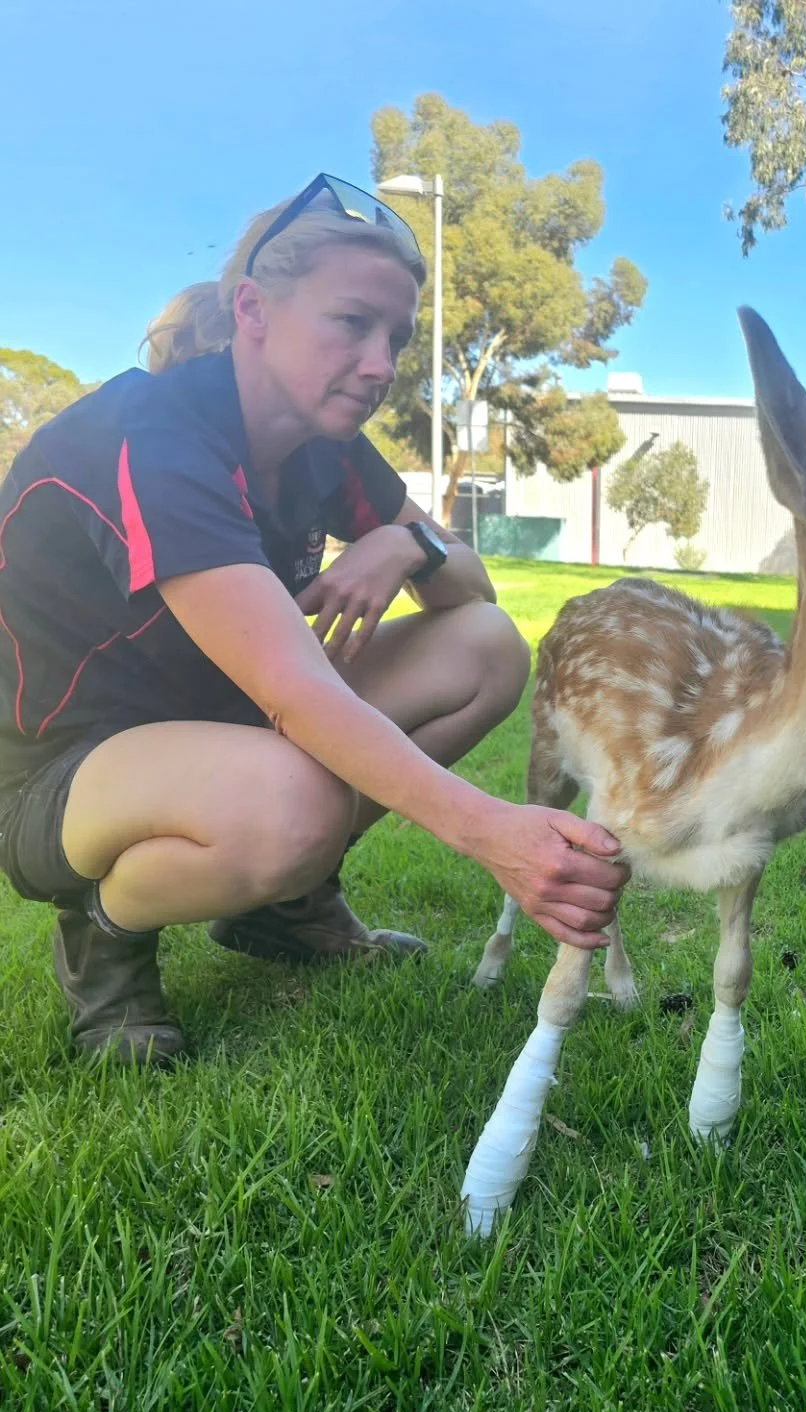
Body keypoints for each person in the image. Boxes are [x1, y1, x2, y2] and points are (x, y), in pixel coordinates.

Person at [0, 173, 628, 1066]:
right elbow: (294, 690)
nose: (381, 363)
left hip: (219, 729)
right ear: (252, 309)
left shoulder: (325, 447)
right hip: (56, 777)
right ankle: (103, 931)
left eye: (397, 336)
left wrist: (410, 550)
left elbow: (474, 591)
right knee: (294, 802)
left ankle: (282, 908)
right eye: (351, 323)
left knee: (484, 648)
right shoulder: (153, 433)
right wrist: (493, 833)